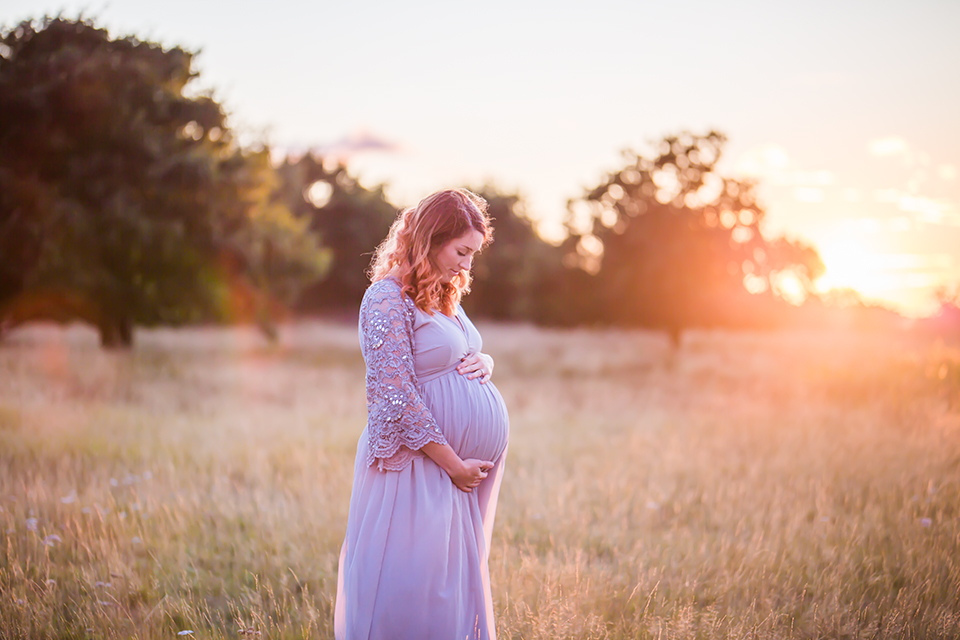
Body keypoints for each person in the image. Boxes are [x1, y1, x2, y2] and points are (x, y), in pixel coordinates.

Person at [334, 189, 510, 640]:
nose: (467, 265)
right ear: (432, 238)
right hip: (417, 470)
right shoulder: (384, 299)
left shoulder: (441, 294)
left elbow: (452, 354)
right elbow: (395, 397)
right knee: (414, 596)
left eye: (473, 254)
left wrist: (483, 362)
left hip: (451, 477)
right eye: (462, 251)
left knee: (447, 595)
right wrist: (453, 465)